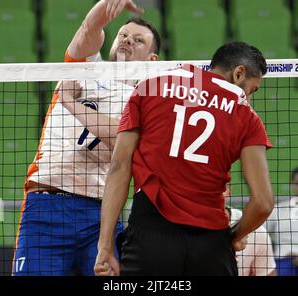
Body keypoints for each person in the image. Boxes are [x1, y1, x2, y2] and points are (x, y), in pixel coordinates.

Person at [12, 0, 161, 276]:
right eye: (123, 35)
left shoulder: (151, 101)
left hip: (101, 216)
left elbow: (120, 137)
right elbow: (89, 28)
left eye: (138, 40)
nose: (127, 41)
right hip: (47, 205)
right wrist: (107, 4)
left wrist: (70, 103)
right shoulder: (86, 68)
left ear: (152, 60)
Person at [95, 41, 274, 276]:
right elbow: (263, 202)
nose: (247, 99)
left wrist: (105, 245)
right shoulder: (247, 116)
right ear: (238, 73)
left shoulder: (150, 86)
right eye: (250, 91)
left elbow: (119, 166)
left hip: (151, 232)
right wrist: (232, 236)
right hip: (210, 242)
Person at [224, 185, 276, 276]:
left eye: (219, 187)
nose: (212, 194)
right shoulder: (190, 231)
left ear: (229, 191)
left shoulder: (257, 233)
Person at [266, 167, 298, 276]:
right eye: (297, 183)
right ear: (293, 184)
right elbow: (260, 232)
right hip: (282, 261)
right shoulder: (278, 209)